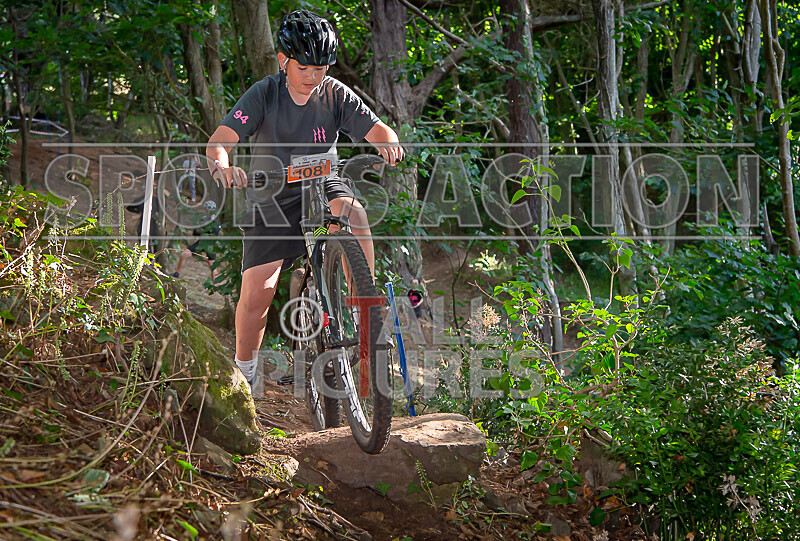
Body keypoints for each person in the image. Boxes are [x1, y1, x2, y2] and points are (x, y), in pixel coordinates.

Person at [205, 10, 404, 389]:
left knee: (355, 214)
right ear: (283, 61)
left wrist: (388, 145)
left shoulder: (335, 94)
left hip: (323, 181)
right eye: (304, 68)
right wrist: (224, 167)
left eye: (322, 69)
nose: (313, 77)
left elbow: (379, 130)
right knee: (257, 296)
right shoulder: (265, 92)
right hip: (273, 194)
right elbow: (220, 141)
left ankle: (365, 313)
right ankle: (244, 373)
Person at [172, 200, 220, 281]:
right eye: (207, 209)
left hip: (210, 244)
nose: (208, 210)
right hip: (202, 242)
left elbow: (214, 234)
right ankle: (177, 273)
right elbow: (196, 232)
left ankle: (215, 284)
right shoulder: (204, 219)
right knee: (185, 254)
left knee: (212, 264)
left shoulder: (215, 220)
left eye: (209, 209)